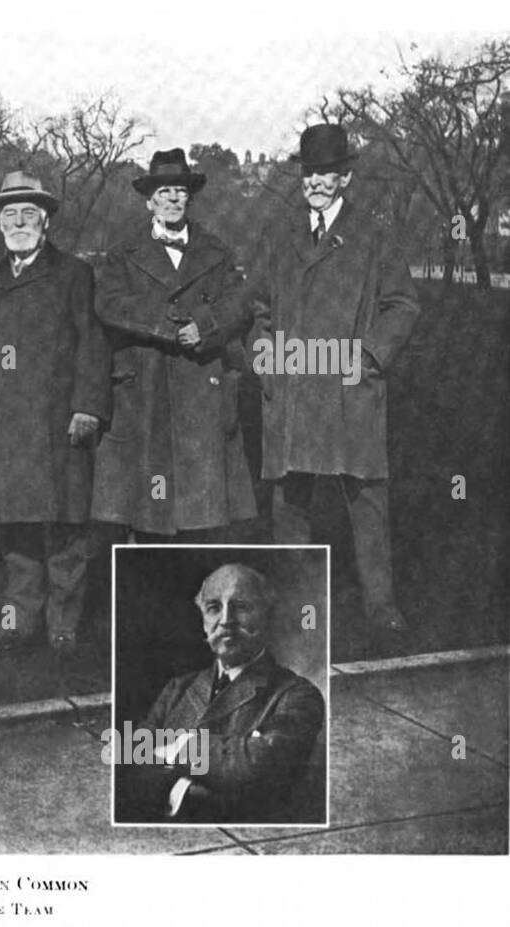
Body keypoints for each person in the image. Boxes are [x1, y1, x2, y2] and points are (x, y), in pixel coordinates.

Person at [247, 124, 420, 631]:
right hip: (295, 383)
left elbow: (403, 304)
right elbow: (256, 304)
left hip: (348, 384)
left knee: (366, 497)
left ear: (345, 177)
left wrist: (368, 356)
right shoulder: (279, 235)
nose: (316, 182)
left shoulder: (373, 234)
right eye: (309, 172)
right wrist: (267, 360)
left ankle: (381, 606)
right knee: (290, 500)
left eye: (327, 173)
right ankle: (296, 603)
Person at [0, 172, 111, 654]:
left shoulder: (73, 275)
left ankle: (63, 624)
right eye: (9, 216)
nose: (18, 223)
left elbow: (93, 346)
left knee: (65, 529)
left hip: (57, 421)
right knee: (15, 529)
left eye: (27, 214)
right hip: (5, 425)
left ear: (45, 221)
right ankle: (18, 619)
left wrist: (87, 407)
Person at [91, 149, 256, 541]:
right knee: (149, 509)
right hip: (145, 391)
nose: (172, 199)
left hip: (203, 387)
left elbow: (240, 303)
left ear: (190, 197)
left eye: (179, 191)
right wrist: (166, 325)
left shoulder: (216, 251)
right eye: (163, 191)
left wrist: (206, 326)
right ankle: (150, 591)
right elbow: (109, 304)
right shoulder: (123, 254)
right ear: (150, 200)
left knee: (203, 513)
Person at [114, 563, 325, 823]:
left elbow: (262, 772)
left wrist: (180, 749)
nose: (226, 620)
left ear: (267, 616)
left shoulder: (297, 695)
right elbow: (130, 769)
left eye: (242, 607)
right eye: (214, 608)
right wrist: (191, 787)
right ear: (203, 622)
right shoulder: (178, 688)